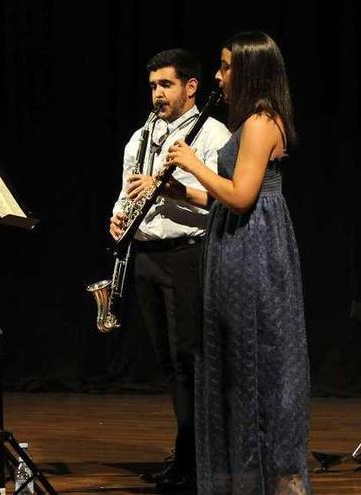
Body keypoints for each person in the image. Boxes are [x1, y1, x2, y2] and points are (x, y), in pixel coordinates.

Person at [165, 31, 312, 494]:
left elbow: (243, 197)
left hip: (253, 249)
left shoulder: (261, 122)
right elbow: (221, 198)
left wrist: (191, 162)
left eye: (225, 66)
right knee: (236, 364)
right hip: (239, 241)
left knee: (255, 364)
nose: (218, 75)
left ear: (248, 69)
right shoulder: (251, 120)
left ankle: (271, 479)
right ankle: (248, 479)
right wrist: (176, 191)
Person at [109, 48, 230, 492]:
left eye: (166, 85)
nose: (157, 94)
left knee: (190, 362)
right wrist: (118, 215)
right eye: (153, 86)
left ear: (190, 87)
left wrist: (172, 189)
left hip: (187, 257)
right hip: (146, 257)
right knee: (168, 363)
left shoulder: (212, 134)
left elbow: (221, 200)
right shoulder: (141, 136)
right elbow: (126, 191)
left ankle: (195, 462)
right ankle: (185, 457)